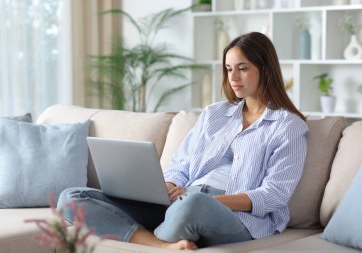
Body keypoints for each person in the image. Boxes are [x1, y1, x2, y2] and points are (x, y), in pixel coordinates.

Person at [57, 31, 308, 250]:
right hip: (182, 200)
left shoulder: (289, 126)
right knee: (71, 197)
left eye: (242, 68)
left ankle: (146, 230)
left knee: (194, 203)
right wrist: (169, 185)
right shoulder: (214, 114)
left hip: (231, 214)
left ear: (264, 70)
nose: (233, 77)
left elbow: (274, 195)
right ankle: (162, 245)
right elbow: (182, 163)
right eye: (229, 69)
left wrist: (207, 200)